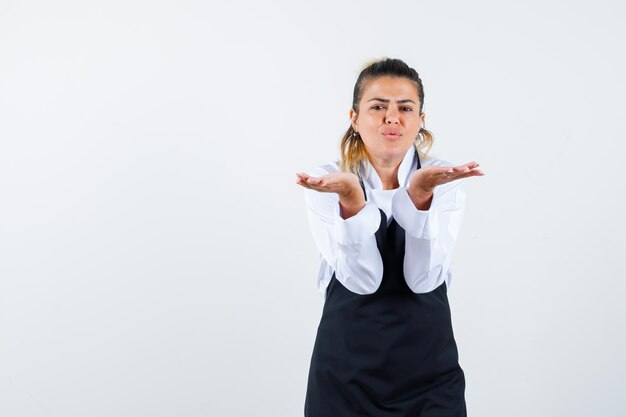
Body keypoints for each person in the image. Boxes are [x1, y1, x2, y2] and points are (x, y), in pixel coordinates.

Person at [295, 57, 484, 416]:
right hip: (344, 378)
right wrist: (351, 201)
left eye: (405, 107)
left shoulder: (442, 180)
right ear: (354, 117)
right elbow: (361, 281)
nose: (392, 117)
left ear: (420, 121)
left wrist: (420, 198)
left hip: (430, 378)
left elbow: (424, 278)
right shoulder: (327, 182)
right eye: (378, 106)